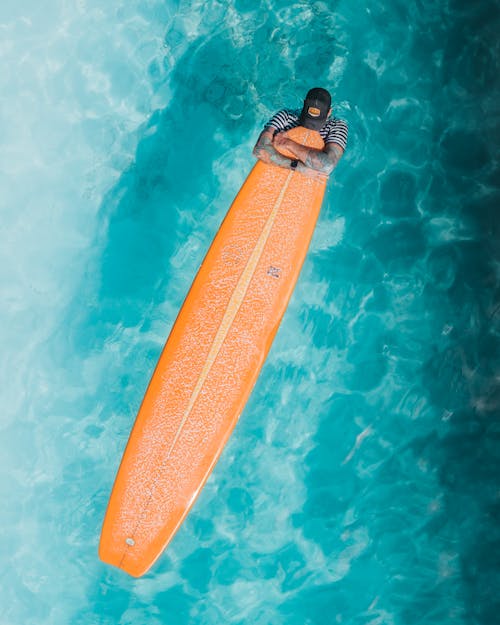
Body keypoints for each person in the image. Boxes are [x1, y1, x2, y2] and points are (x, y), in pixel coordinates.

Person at [253, 87, 347, 178]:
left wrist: (288, 143)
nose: (310, 127)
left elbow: (327, 166)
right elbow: (259, 150)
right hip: (295, 169)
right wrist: (297, 167)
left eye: (316, 122)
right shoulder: (286, 116)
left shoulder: (336, 126)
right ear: (303, 105)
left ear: (329, 112)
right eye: (308, 120)